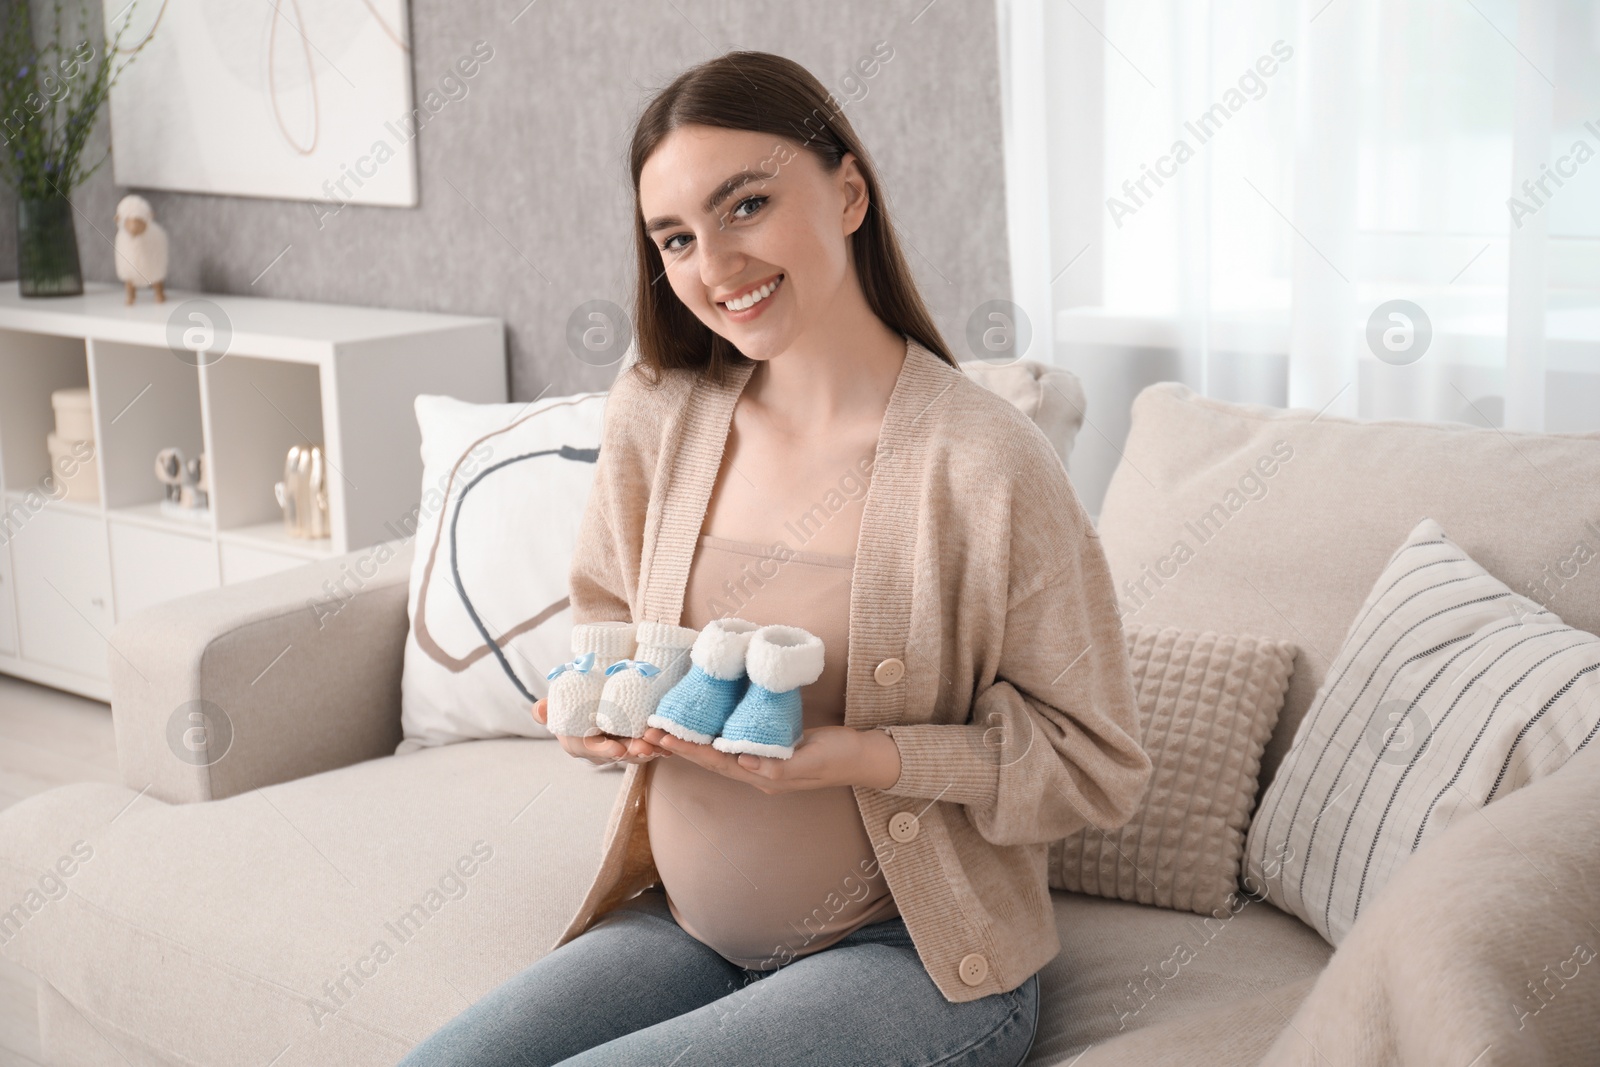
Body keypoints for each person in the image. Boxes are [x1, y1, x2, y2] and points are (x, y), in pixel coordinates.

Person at [398, 49, 1153, 1067]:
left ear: (848, 191)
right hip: (682, 931)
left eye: (745, 205)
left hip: (914, 961)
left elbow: (1094, 764)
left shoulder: (985, 460)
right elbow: (606, 624)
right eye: (675, 237)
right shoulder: (656, 417)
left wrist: (867, 755)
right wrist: (595, 719)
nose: (712, 267)